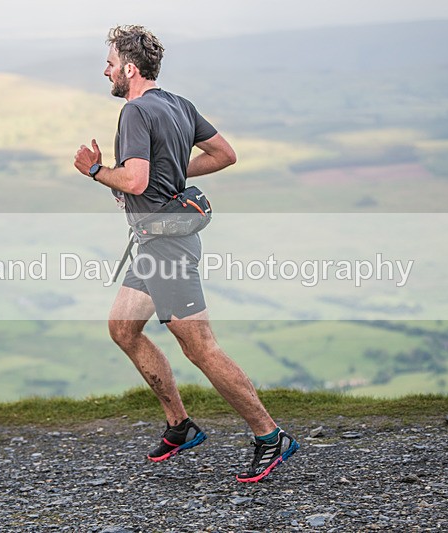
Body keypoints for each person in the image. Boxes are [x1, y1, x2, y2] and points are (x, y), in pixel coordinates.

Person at [73, 25, 299, 482]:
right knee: (123, 328)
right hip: (154, 243)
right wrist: (172, 176)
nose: (106, 70)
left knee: (201, 348)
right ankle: (181, 426)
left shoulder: (135, 112)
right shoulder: (178, 104)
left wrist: (95, 170)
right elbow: (223, 154)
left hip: (168, 246)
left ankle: (271, 436)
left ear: (130, 69)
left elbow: (134, 181)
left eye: (111, 63)